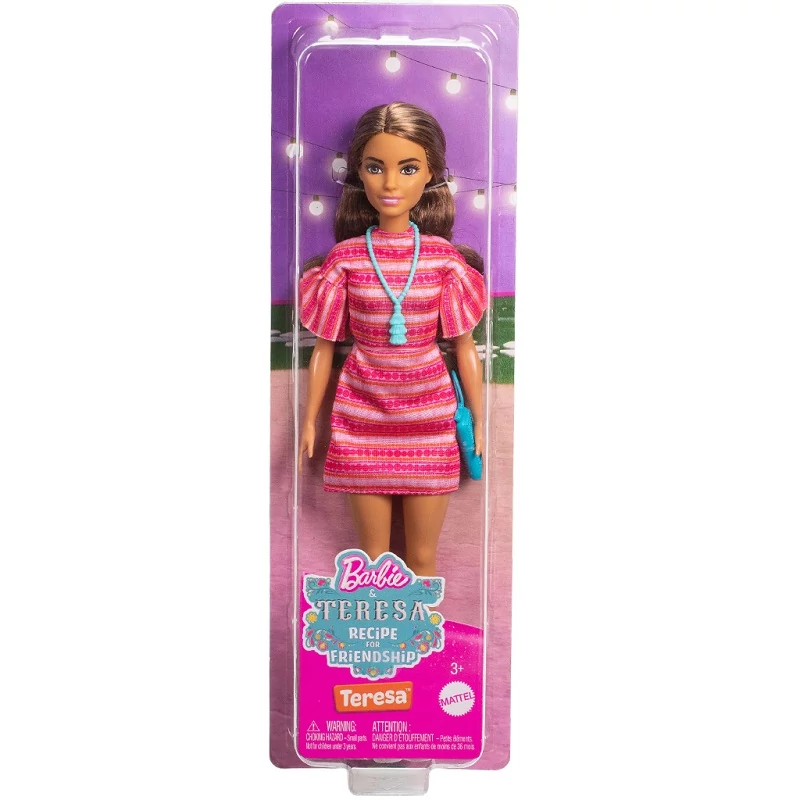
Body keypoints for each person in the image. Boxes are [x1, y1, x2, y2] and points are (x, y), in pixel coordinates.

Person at [298, 102, 486, 578]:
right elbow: (324, 347)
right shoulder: (346, 259)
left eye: (408, 169)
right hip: (361, 418)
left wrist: (479, 420)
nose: (390, 184)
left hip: (429, 420)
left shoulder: (444, 261)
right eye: (375, 167)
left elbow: (464, 346)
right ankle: (376, 630)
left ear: (432, 174)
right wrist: (309, 420)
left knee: (422, 558)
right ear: (358, 172)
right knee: (373, 561)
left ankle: (425, 630)